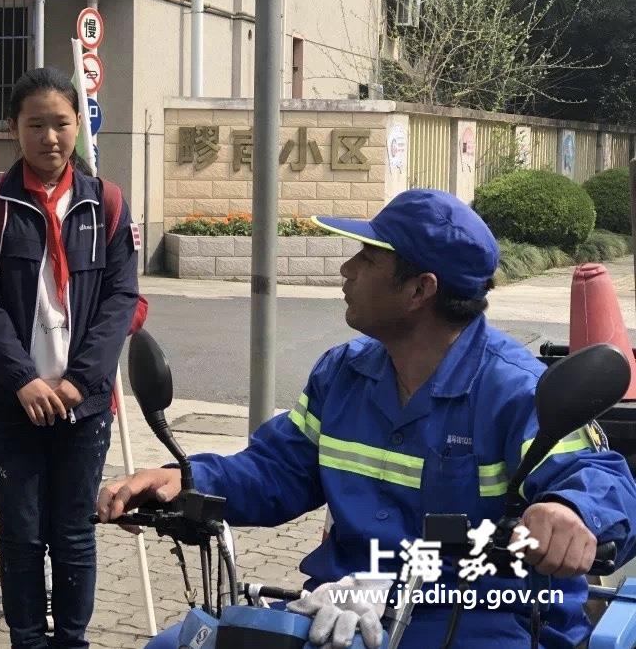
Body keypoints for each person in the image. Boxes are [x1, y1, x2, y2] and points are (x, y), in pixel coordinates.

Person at [98, 189, 636, 649]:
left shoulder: (516, 390)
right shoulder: (343, 373)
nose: (346, 269)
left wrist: (568, 511)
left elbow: (602, 480)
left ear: (420, 290)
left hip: (481, 616)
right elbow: (278, 469)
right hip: (344, 604)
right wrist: (186, 479)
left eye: (367, 258)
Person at [0, 67, 140, 648]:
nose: (50, 137)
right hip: (10, 403)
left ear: (79, 124)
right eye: (35, 124)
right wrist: (22, 380)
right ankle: (28, 641)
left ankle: (72, 641)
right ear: (14, 128)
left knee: (75, 533)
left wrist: (80, 382)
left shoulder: (106, 203)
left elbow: (121, 298)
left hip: (83, 407)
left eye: (61, 123)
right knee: (21, 534)